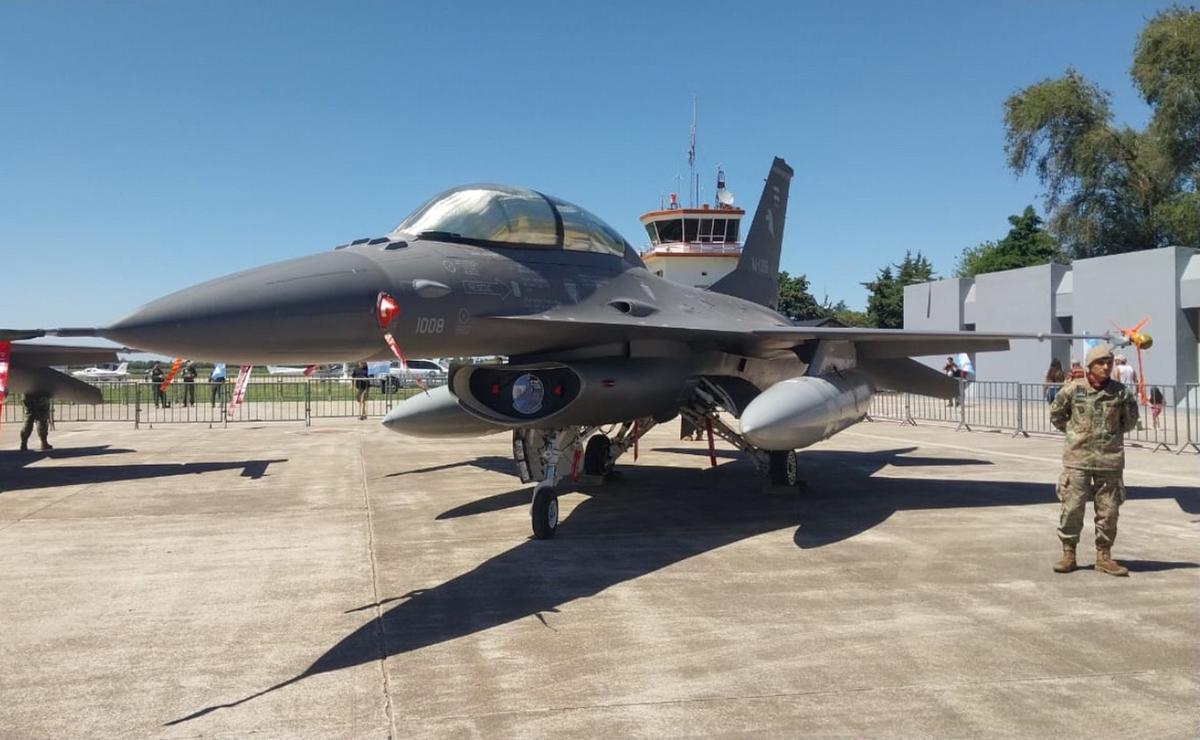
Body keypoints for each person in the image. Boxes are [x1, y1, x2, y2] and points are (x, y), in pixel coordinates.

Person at [1048, 344, 1139, 576]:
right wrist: (1075, 434)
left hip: (1109, 460)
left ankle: (1104, 556)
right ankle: (1069, 553)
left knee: (1109, 510)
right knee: (1072, 507)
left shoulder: (1121, 393)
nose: (1106, 366)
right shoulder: (1073, 389)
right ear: (1090, 366)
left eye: (1109, 362)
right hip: (1077, 458)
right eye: (1100, 363)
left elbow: (1128, 422)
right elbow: (1057, 415)